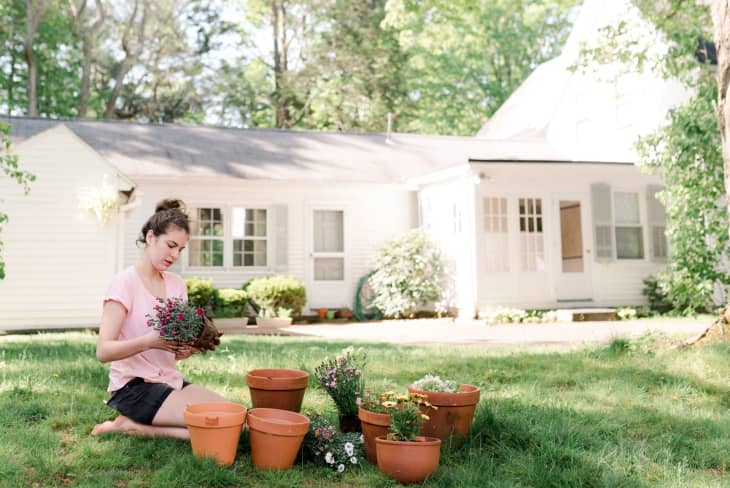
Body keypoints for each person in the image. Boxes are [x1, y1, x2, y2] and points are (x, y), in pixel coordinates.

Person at [91, 199, 223, 439]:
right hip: (133, 387)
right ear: (151, 237)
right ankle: (133, 426)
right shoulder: (125, 283)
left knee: (235, 418)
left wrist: (188, 348)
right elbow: (103, 351)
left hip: (169, 380)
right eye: (171, 245)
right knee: (214, 430)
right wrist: (149, 341)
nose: (175, 255)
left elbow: (172, 351)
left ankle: (136, 425)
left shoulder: (176, 285)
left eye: (180, 249)